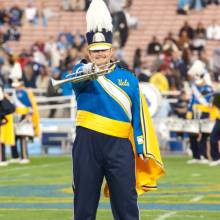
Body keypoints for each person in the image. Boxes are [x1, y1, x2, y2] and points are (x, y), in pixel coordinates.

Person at [61, 0, 165, 219]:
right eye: (95, 50)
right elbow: (73, 81)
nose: (99, 54)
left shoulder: (128, 78)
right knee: (84, 203)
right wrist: (87, 69)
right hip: (87, 143)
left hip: (119, 146)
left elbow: (138, 115)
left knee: (126, 203)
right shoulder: (82, 72)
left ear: (111, 49)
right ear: (88, 52)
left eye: (103, 50)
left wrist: (140, 144)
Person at [186, 60, 213, 164]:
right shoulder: (194, 88)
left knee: (204, 135)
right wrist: (189, 112)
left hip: (203, 114)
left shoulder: (208, 89)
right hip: (194, 113)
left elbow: (209, 103)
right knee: (192, 135)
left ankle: (204, 157)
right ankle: (196, 156)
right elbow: (191, 101)